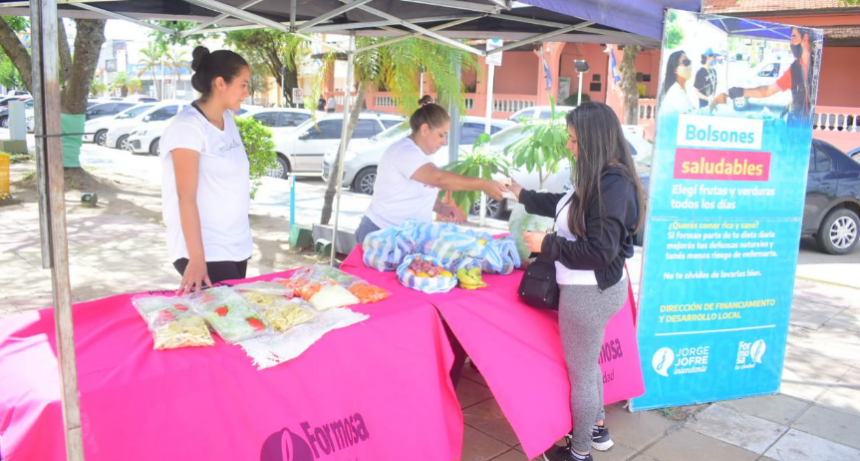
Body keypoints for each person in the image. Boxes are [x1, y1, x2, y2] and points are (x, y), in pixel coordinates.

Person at [507, 102, 645, 461]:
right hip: (593, 288)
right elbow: (565, 203)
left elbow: (600, 251)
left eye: (573, 140)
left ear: (594, 140)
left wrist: (547, 244)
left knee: (582, 372)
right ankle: (596, 428)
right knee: (589, 365)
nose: (569, 146)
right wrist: (521, 194)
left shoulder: (613, 184)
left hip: (589, 292)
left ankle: (580, 451)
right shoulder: (598, 175)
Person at [160, 46, 253, 294]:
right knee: (227, 321)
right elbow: (185, 197)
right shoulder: (188, 127)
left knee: (235, 322)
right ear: (220, 83)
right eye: (243, 85)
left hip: (235, 245)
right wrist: (197, 258)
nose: (247, 92)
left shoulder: (228, 120)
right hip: (206, 250)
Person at [354, 103, 509, 245]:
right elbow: (438, 178)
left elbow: (416, 194)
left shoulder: (424, 155)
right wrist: (484, 184)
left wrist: (441, 208)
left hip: (406, 237)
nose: (444, 141)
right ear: (425, 130)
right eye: (441, 135)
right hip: (382, 234)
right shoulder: (404, 151)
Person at [728, 27, 815, 122]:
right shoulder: (793, 70)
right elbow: (767, 90)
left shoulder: (818, 64)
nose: (791, 42)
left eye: (794, 37)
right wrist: (740, 92)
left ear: (805, 38)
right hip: (800, 126)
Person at [659, 50, 725, 116]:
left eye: (690, 62)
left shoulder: (682, 89)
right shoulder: (676, 92)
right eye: (686, 62)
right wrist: (715, 101)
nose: (690, 65)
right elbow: (693, 117)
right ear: (675, 70)